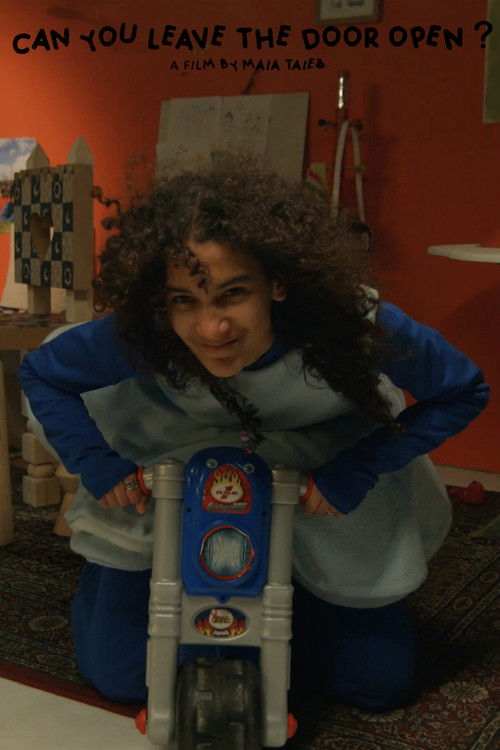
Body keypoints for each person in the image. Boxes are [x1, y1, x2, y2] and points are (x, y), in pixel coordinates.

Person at [19, 155, 489, 713]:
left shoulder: (351, 323)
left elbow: (462, 389)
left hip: (320, 468)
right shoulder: (146, 329)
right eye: (185, 300)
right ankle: (113, 583)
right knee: (124, 677)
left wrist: (358, 469)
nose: (211, 327)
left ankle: (309, 595)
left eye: (232, 294)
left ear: (278, 283)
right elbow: (43, 373)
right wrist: (98, 464)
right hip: (175, 458)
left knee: (375, 683)